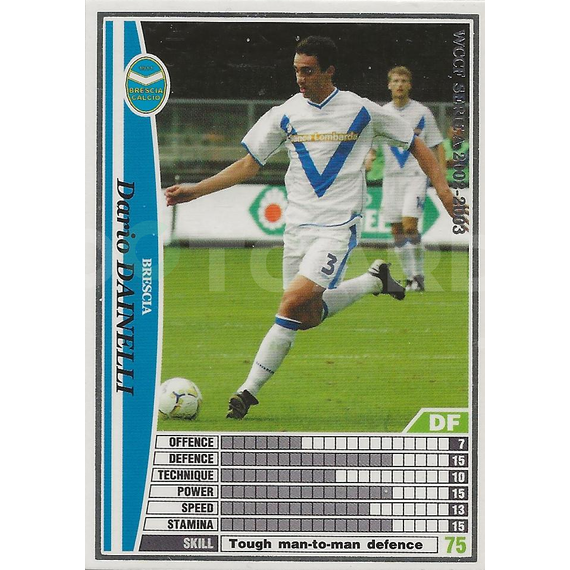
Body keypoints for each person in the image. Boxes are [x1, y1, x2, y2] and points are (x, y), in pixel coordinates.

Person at [166, 37, 462, 419]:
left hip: (339, 227)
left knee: (291, 303)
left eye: (307, 71)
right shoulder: (285, 113)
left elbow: (415, 142)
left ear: (328, 71)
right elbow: (248, 164)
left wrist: (443, 189)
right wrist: (196, 190)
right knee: (303, 317)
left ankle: (247, 391)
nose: (300, 78)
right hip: (296, 229)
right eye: (296, 70)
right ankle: (373, 281)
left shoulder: (361, 109)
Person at [366, 66, 446, 292]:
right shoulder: (382, 114)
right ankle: (410, 277)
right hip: (391, 178)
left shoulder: (422, 112)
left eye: (403, 81)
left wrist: (440, 175)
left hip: (415, 176)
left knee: (410, 226)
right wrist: (369, 157)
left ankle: (418, 276)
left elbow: (437, 144)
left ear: (409, 85)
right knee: (396, 230)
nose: (399, 84)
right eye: (395, 80)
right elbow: (372, 145)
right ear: (389, 85)